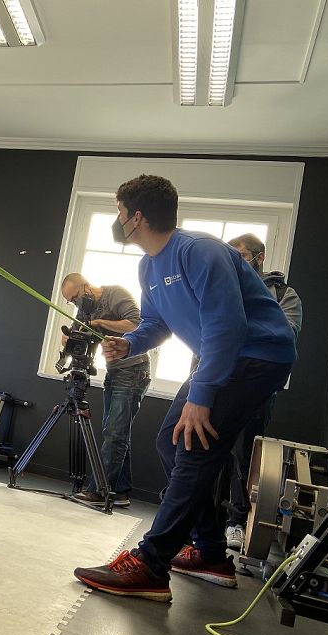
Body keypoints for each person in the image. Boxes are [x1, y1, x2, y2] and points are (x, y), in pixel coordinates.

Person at [73, 175, 295, 602]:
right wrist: (130, 342)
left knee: (191, 446)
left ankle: (152, 563)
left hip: (259, 355)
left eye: (120, 211)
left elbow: (227, 327)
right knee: (172, 443)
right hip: (226, 356)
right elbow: (157, 324)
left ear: (137, 217)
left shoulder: (200, 251)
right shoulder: (149, 266)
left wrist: (202, 394)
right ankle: (211, 553)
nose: (118, 220)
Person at [221, 233, 302, 551]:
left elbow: (287, 333)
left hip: (258, 388)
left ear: (260, 256)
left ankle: (235, 524)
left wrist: (239, 326)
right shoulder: (225, 289)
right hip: (219, 381)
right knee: (204, 453)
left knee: (244, 457)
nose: (236, 261)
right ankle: (197, 521)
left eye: (241, 255)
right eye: (232, 255)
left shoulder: (284, 294)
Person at [60, 273, 150, 508]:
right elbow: (77, 331)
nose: (75, 303)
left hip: (133, 369)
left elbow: (136, 323)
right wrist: (68, 338)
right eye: (71, 301)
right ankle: (120, 492)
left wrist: (99, 323)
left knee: (115, 433)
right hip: (114, 370)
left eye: (75, 297)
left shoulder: (115, 294)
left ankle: (100, 491)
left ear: (86, 287)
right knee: (117, 432)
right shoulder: (85, 310)